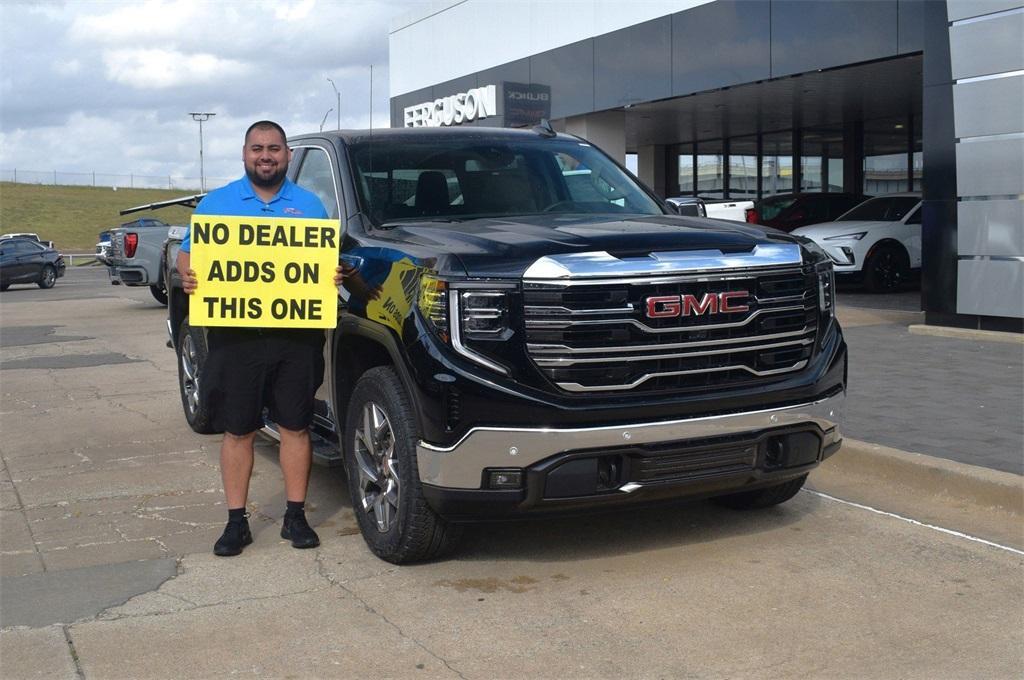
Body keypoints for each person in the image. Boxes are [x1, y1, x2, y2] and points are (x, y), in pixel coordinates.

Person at [176, 120, 345, 557]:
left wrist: (332, 275)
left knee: (296, 425)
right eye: (257, 148)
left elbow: (325, 262)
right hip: (237, 337)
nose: (265, 155)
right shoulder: (216, 204)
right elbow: (188, 254)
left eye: (273, 148)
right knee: (238, 429)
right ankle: (236, 522)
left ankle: (295, 516)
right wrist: (188, 276)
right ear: (244, 154)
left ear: (287, 155)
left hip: (296, 337)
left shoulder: (310, 207)